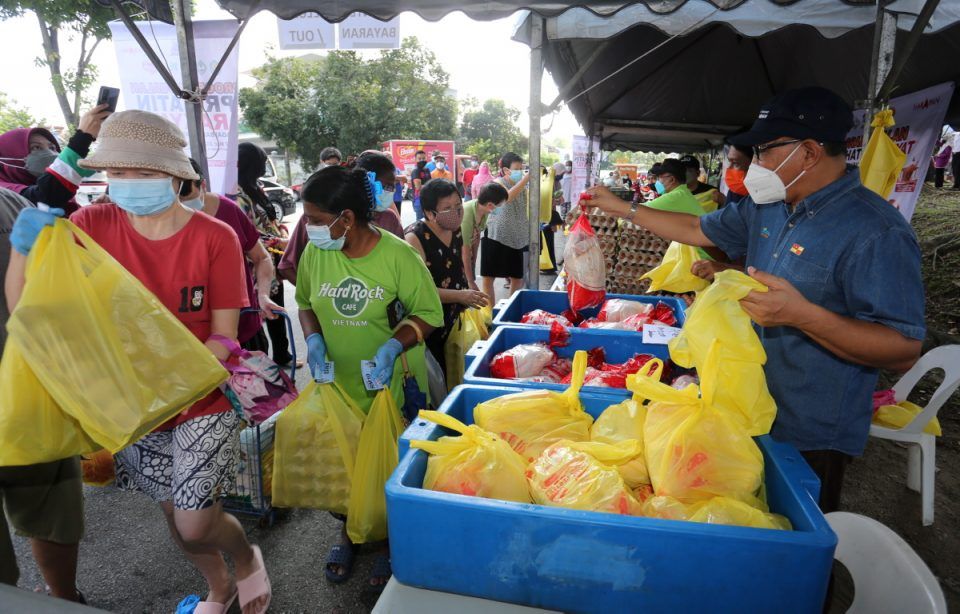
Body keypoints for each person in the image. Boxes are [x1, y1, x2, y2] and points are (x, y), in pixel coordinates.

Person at [586, 86, 925, 514]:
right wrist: (624, 209)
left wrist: (803, 316)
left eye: (764, 151)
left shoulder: (876, 232)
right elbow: (696, 229)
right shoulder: (768, 206)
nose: (754, 163)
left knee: (790, 536)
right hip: (740, 405)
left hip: (806, 427)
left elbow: (902, 349)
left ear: (808, 153)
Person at [6, 110, 272, 613]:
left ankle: (245, 556)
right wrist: (25, 246)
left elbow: (223, 337)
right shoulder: (90, 225)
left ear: (175, 175)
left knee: (195, 519)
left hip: (202, 396)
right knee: (176, 515)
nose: (128, 182)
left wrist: (177, 380)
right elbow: (27, 309)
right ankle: (219, 587)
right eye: (118, 171)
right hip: (132, 407)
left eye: (143, 172)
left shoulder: (216, 235)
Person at [296, 165, 442, 586]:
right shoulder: (316, 254)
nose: (309, 228)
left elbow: (429, 314)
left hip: (388, 384)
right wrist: (314, 339)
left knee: (388, 465)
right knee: (344, 463)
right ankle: (348, 531)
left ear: (346, 217)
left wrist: (394, 345)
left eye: (316, 219)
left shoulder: (398, 256)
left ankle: (388, 542)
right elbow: (304, 302)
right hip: (338, 385)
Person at [0, 187, 87, 605]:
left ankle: (64, 599)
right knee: (53, 514)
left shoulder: (14, 205)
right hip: (36, 391)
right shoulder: (14, 205)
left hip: (35, 392)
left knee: (53, 513)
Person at [180, 158, 283, 351]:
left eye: (188, 198)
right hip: (190, 338)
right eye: (176, 201)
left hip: (244, 326)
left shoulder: (228, 211)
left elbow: (261, 258)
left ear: (202, 185)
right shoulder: (158, 221)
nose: (182, 207)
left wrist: (263, 295)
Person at [278, 151, 404, 285]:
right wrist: (315, 294)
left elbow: (401, 267)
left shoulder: (389, 220)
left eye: (392, 187)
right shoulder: (315, 220)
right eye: (384, 186)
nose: (389, 191)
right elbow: (287, 266)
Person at [406, 179, 488, 373]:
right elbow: (417, 292)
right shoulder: (414, 238)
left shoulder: (455, 229)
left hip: (456, 316)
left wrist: (469, 285)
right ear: (429, 213)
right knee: (438, 373)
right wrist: (460, 296)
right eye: (447, 208)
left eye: (458, 205)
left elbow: (460, 262)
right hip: (430, 323)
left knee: (458, 368)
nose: (456, 212)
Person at [236, 143, 293, 365]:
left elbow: (269, 219)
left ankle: (282, 354)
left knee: (276, 307)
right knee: (260, 312)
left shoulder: (256, 187)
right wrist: (275, 240)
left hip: (272, 257)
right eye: (261, 163)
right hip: (255, 262)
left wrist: (280, 230)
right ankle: (264, 365)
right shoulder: (237, 195)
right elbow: (247, 232)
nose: (264, 168)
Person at [0, 105, 111, 213]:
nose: (50, 153)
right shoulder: (4, 194)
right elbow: (45, 199)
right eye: (36, 147)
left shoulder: (67, 198)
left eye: (52, 148)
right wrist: (83, 136)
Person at [480, 153, 532, 299]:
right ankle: (490, 311)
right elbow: (507, 197)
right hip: (496, 236)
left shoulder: (522, 186)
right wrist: (526, 179)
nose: (520, 172)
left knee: (517, 278)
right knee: (488, 277)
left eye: (522, 168)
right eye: (517, 169)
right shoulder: (497, 183)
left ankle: (510, 306)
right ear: (505, 170)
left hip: (517, 237)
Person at [461, 182, 509, 293]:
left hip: (466, 252)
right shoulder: (467, 214)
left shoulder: (485, 211)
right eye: (500, 205)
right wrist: (471, 281)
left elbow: (477, 237)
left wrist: (473, 262)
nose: (501, 208)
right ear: (490, 205)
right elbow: (465, 251)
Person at [412, 150, 433, 220]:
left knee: (429, 221)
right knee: (420, 222)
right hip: (419, 200)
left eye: (423, 158)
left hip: (428, 199)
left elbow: (430, 183)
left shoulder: (427, 170)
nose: (422, 160)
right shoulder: (416, 171)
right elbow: (418, 187)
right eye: (419, 158)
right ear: (415, 159)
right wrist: (429, 186)